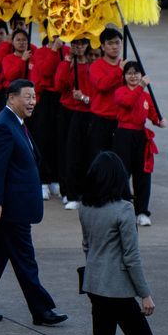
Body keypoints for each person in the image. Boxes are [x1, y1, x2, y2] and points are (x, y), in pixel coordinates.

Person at [0, 79, 68, 326]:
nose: (32, 101)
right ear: (12, 98)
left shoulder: (16, 122)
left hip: (14, 206)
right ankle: (41, 310)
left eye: (34, 97)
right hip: (11, 209)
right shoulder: (3, 125)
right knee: (25, 260)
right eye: (27, 97)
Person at [79, 151, 156, 335]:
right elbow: (131, 256)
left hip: (94, 284)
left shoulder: (85, 206)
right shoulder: (124, 209)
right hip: (117, 289)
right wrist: (145, 294)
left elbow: (87, 245)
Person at [113, 62, 166, 227]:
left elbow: (151, 114)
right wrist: (142, 86)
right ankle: (123, 209)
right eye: (129, 73)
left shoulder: (145, 96)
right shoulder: (120, 92)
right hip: (123, 135)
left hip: (140, 135)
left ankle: (142, 211)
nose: (133, 76)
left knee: (143, 174)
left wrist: (158, 121)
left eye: (136, 73)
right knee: (123, 172)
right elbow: (128, 102)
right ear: (124, 76)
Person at [54, 39, 94, 210]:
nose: (79, 47)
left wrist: (84, 97)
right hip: (69, 111)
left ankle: (86, 191)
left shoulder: (93, 63)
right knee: (68, 153)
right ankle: (69, 192)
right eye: (76, 44)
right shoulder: (68, 62)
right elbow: (59, 85)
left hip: (88, 111)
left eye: (83, 44)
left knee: (86, 153)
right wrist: (67, 64)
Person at [31, 36, 70, 201]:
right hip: (46, 98)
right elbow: (46, 71)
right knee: (44, 139)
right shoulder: (40, 53)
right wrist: (54, 50)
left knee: (60, 139)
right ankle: (43, 181)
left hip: (62, 98)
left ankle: (56, 178)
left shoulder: (67, 51)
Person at [88, 28, 124, 159]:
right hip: (101, 120)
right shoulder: (96, 66)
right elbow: (102, 85)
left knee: (120, 159)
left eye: (117, 42)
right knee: (100, 159)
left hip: (120, 120)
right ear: (102, 46)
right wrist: (119, 71)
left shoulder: (126, 66)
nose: (114, 46)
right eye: (110, 43)